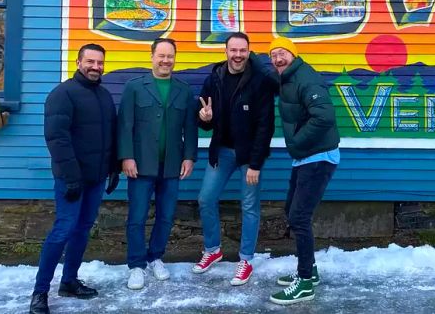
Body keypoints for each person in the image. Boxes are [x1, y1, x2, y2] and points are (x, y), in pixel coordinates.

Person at [30, 43, 119, 314]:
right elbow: (57, 139)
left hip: (95, 179)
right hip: (72, 180)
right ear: (79, 62)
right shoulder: (63, 94)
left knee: (82, 230)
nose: (95, 67)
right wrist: (71, 178)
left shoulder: (104, 95)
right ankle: (40, 292)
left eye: (100, 62)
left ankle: (69, 281)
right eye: (90, 61)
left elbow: (110, 136)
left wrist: (113, 168)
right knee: (63, 231)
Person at [192, 32, 276, 285]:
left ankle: (246, 259)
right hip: (223, 151)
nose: (238, 55)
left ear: (249, 52)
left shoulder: (259, 81)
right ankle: (213, 249)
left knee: (249, 206)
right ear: (226, 51)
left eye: (242, 50)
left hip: (248, 156)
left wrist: (256, 163)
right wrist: (204, 119)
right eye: (233, 50)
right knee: (205, 199)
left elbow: (266, 126)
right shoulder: (214, 79)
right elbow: (205, 120)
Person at [118, 38, 198, 290]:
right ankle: (136, 265)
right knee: (137, 217)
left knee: (166, 216)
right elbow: (125, 125)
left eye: (170, 56)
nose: (166, 61)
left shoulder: (183, 90)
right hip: (141, 165)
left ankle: (155, 257)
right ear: (151, 56)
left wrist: (189, 156)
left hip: (172, 165)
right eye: (161, 55)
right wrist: (126, 157)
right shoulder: (134, 87)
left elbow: (190, 128)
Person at [267, 37, 340, 305]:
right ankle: (310, 269)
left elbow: (324, 116)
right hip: (305, 157)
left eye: (282, 53)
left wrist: (296, 141)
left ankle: (305, 283)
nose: (277, 58)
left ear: (293, 55)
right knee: (291, 211)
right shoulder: (287, 78)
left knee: (299, 216)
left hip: (318, 156)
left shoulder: (306, 78)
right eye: (273, 54)